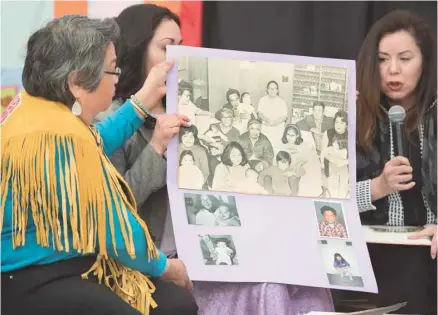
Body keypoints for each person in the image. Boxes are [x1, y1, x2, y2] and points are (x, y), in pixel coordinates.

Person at [97, 4, 334, 315]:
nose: (177, 57)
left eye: (182, 47)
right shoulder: (112, 119)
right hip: (160, 257)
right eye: (167, 48)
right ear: (137, 49)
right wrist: (155, 147)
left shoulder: (192, 108)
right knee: (265, 288)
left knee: (301, 282)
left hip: (219, 239)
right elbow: (114, 205)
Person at [0, 15, 198, 315]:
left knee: (175, 305)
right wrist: (165, 266)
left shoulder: (36, 109)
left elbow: (94, 142)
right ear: (77, 83)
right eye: (111, 68)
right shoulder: (61, 136)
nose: (116, 76)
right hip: (34, 275)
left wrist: (141, 100)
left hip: (47, 264)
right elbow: (114, 226)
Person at [355, 10, 437, 314]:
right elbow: (325, 202)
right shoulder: (352, 115)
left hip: (427, 254)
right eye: (381, 59)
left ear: (425, 62)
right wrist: (377, 187)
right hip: (369, 256)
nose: (392, 70)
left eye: (404, 59)